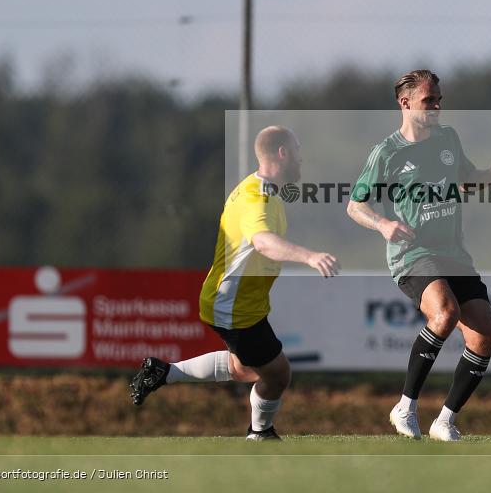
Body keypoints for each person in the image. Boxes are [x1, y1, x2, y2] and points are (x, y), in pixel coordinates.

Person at [130, 125, 340, 441]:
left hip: (238, 301)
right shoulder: (259, 198)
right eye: (297, 152)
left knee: (246, 368)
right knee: (278, 373)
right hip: (234, 306)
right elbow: (263, 242)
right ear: (283, 153)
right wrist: (309, 257)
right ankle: (260, 432)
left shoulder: (258, 190)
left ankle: (163, 372)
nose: (301, 159)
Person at [346, 70, 491, 441]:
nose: (437, 106)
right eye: (429, 100)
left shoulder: (448, 138)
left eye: (439, 99)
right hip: (413, 253)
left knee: (485, 335)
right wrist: (383, 225)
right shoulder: (386, 153)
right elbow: (355, 205)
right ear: (405, 103)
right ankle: (405, 406)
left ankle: (445, 421)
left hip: (454, 253)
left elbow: (466, 179)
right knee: (445, 312)